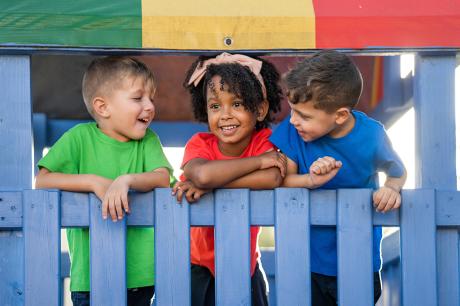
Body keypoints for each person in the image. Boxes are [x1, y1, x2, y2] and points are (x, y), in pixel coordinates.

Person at [270, 50, 407, 306]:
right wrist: (309, 180)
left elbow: (397, 171)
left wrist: (391, 188)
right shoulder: (291, 132)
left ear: (340, 115)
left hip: (360, 256)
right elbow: (282, 179)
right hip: (307, 257)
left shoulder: (371, 135)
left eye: (305, 116)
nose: (293, 120)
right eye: (292, 111)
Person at [35, 56, 174, 306]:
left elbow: (163, 178)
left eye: (151, 98)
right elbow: (43, 181)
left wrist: (126, 180)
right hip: (89, 278)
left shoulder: (147, 141)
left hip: (140, 277)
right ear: (103, 107)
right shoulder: (79, 138)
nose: (150, 106)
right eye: (137, 98)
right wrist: (93, 182)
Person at [171, 52, 288, 306]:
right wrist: (256, 163)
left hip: (245, 264)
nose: (225, 114)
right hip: (197, 266)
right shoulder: (199, 144)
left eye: (237, 104)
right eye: (215, 106)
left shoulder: (262, 141)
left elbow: (271, 178)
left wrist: (210, 186)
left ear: (259, 109)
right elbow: (202, 174)